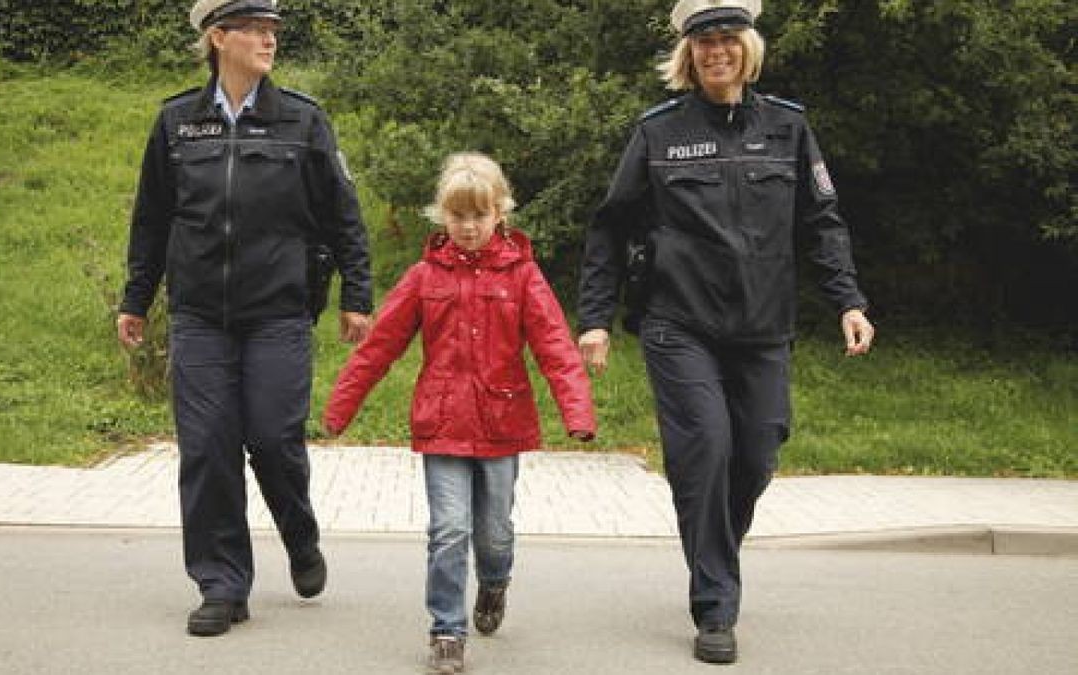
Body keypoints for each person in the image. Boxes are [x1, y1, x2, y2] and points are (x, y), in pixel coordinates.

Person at [577, 0, 874, 665]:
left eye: (727, 40)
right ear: (689, 53)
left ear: (747, 48)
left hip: (763, 326)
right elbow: (610, 226)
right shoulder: (659, 132)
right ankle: (715, 604)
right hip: (679, 323)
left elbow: (822, 222)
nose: (717, 51)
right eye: (704, 42)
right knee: (705, 448)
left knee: (759, 450)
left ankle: (716, 550)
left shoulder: (788, 127)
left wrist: (848, 300)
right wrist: (595, 317)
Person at [115, 0, 373, 637]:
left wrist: (356, 295)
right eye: (255, 29)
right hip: (200, 314)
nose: (269, 39)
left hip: (279, 311)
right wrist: (136, 296)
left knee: (273, 440)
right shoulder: (177, 121)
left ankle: (299, 533)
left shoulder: (302, 120)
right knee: (206, 449)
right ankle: (222, 585)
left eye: (272, 30)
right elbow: (151, 217)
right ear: (218, 37)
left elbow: (343, 215)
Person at [324, 152, 596, 674]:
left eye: (479, 215)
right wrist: (341, 408)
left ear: (500, 214)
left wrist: (577, 412)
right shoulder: (425, 276)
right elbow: (379, 347)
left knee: (494, 534)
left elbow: (556, 349)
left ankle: (494, 583)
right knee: (448, 529)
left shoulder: (523, 276)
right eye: (458, 216)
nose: (469, 227)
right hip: (442, 424)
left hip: (502, 423)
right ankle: (446, 630)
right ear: (442, 217)